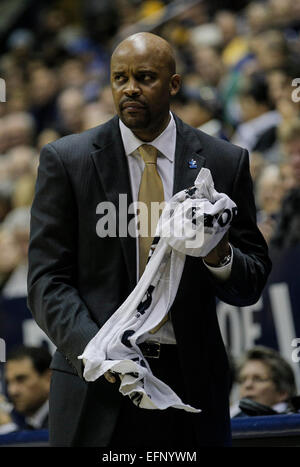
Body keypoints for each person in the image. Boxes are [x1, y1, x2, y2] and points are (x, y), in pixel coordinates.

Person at [27, 32, 271, 447]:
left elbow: (251, 280)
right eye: (119, 78)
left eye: (144, 77)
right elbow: (46, 280)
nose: (130, 89)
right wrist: (99, 351)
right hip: (96, 381)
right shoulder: (66, 161)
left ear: (173, 84)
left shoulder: (224, 161)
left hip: (189, 382)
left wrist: (217, 252)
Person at [231, 346, 297, 417]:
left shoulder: (295, 423)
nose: (247, 385)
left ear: (282, 392)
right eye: (242, 380)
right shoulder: (230, 418)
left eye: (258, 379)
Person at [0, 346, 51, 432]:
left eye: (21, 379)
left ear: (48, 378)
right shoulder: (32, 423)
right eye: (8, 382)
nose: (12, 391)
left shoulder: (65, 422)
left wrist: (7, 428)